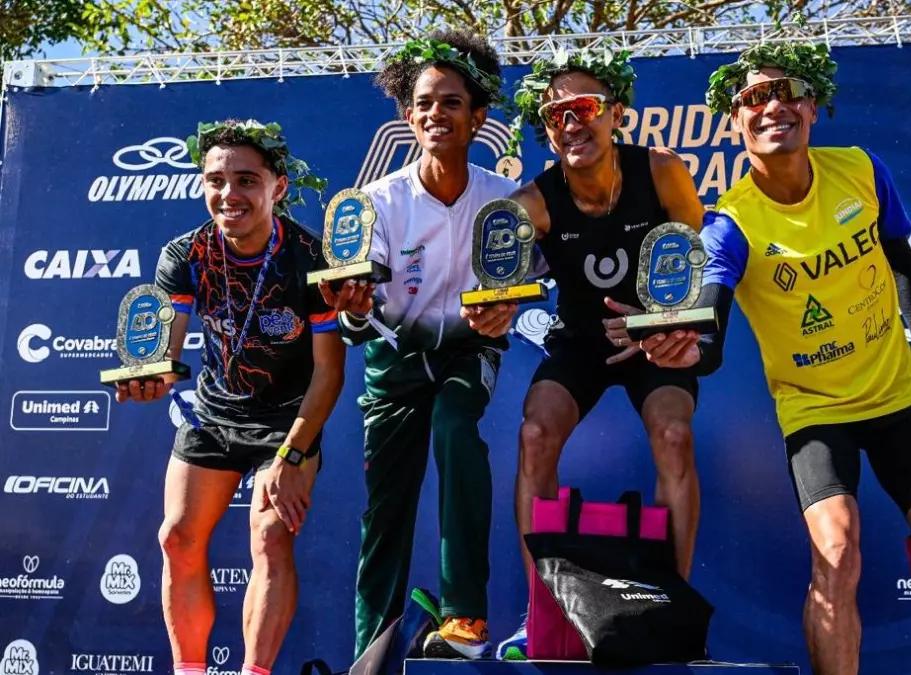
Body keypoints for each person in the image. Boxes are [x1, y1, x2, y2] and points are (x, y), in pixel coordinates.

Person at [616, 45, 911, 675]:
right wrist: (685, 348)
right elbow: (709, 335)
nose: (772, 106)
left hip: (899, 394)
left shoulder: (861, 169)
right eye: (753, 99)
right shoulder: (730, 223)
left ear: (812, 106)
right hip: (815, 411)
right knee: (837, 551)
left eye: (786, 91)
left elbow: (901, 262)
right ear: (735, 123)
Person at [492, 48, 708, 661]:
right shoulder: (534, 200)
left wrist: (668, 328)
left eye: (585, 108)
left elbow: (699, 270)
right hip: (580, 342)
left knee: (673, 435)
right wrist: (489, 307)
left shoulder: (663, 171)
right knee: (535, 434)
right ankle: (544, 611)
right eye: (556, 114)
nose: (571, 124)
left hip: (655, 339)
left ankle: (674, 610)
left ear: (617, 114)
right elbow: (490, 276)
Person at [317, 31, 521, 661]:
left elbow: (521, 291)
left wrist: (506, 309)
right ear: (409, 118)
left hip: (467, 352)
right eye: (426, 103)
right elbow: (356, 311)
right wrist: (352, 310)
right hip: (394, 356)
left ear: (477, 117)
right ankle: (368, 651)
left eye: (452, 102)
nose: (438, 114)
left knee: (458, 430)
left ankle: (464, 618)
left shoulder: (505, 197)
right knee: (386, 508)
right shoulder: (379, 201)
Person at [116, 119, 345, 675]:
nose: (229, 194)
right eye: (216, 180)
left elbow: (329, 373)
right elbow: (166, 355)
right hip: (215, 413)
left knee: (269, 535)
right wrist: (148, 377)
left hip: (287, 422)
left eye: (246, 180)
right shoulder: (185, 253)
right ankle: (189, 670)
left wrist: (292, 456)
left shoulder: (311, 259)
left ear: (278, 187)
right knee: (176, 538)